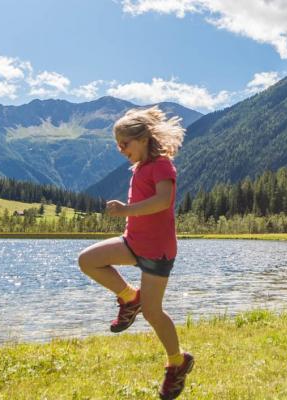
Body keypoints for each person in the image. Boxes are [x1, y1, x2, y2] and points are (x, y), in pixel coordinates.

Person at [76, 106, 194, 399]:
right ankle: (130, 297)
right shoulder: (140, 167)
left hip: (157, 252)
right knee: (88, 261)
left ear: (142, 138)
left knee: (154, 314)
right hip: (133, 242)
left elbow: (163, 201)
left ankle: (177, 363)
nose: (120, 149)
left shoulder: (162, 165)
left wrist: (127, 209)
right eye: (118, 145)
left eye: (124, 143)